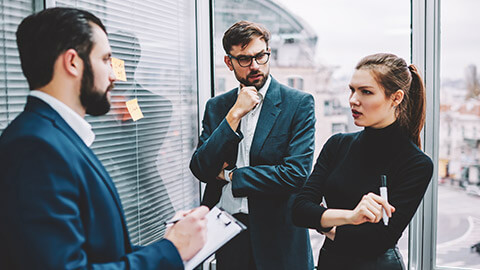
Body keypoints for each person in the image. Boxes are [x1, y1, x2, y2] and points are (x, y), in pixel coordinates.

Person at [0, 7, 207, 269]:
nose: (113, 74)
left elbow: (97, 250)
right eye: (106, 59)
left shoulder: (55, 137)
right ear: (73, 62)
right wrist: (170, 251)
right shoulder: (35, 148)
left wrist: (170, 245)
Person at [190, 20, 315, 270]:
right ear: (229, 62)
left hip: (279, 238)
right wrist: (234, 115)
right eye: (245, 59)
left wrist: (232, 176)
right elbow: (202, 169)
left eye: (261, 56)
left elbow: (295, 174)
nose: (255, 66)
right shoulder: (218, 108)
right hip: (228, 235)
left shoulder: (298, 104)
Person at [292, 53, 434, 269]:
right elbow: (300, 210)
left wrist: (323, 221)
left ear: (396, 98)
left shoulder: (416, 163)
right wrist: (352, 217)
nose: (353, 100)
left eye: (366, 92)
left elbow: (376, 242)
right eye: (352, 90)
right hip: (330, 262)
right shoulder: (337, 145)